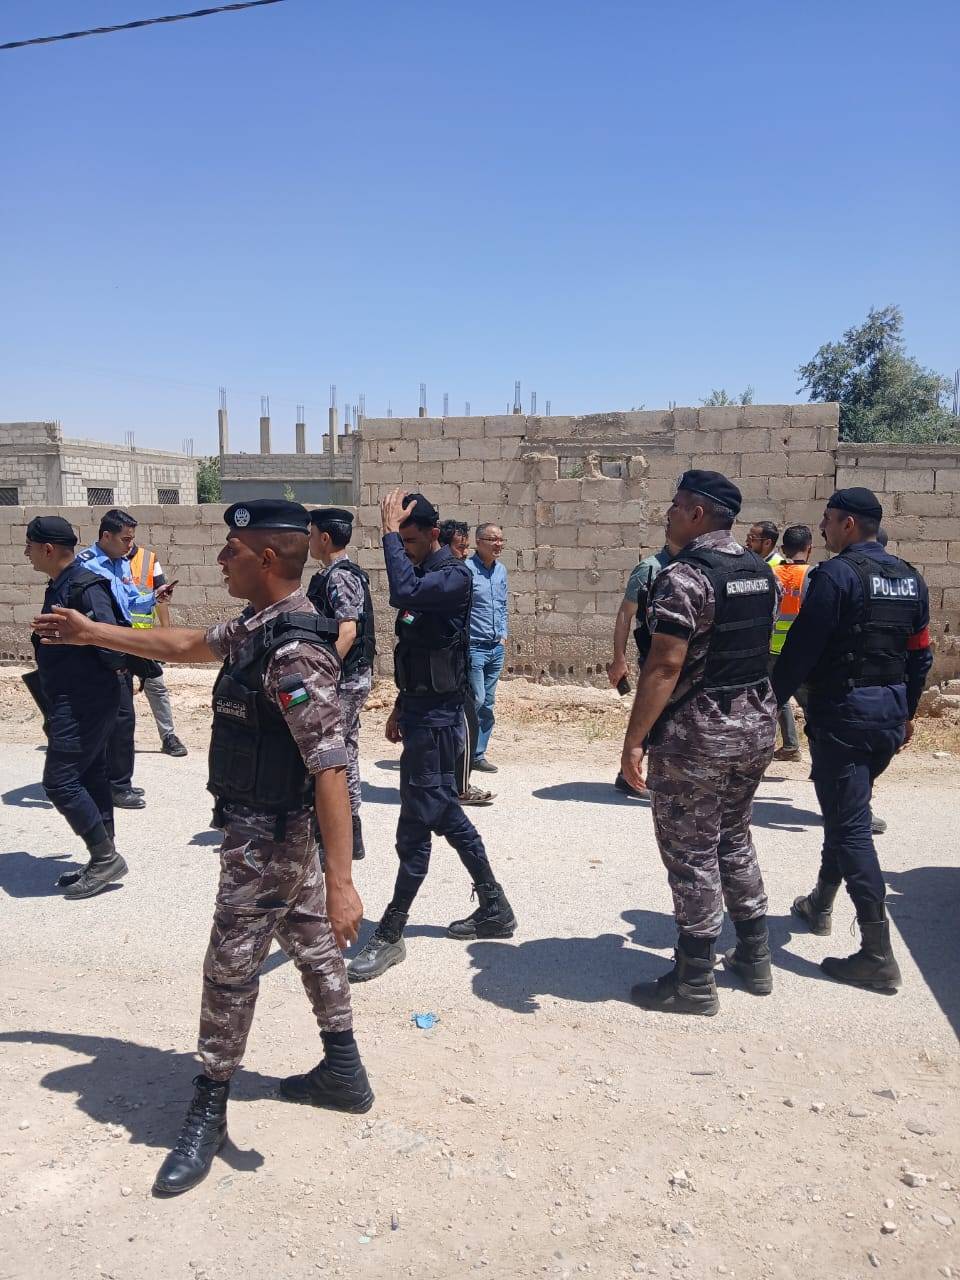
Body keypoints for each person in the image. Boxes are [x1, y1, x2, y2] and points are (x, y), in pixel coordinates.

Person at [35, 499, 370, 1195]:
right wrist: (92, 630)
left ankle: (210, 1106)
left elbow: (330, 768)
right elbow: (185, 644)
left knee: (229, 972)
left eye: (232, 550)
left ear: (267, 559)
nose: (220, 559)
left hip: (267, 839)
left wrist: (342, 881)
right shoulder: (259, 625)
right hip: (275, 831)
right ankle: (342, 1070)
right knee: (310, 942)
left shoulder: (294, 651)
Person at [620, 471, 778, 1016]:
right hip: (755, 726)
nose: (668, 512)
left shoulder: (686, 577)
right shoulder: (759, 571)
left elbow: (665, 664)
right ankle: (754, 956)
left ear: (697, 513)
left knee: (691, 853)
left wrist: (634, 741)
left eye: (676, 504)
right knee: (734, 837)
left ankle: (693, 980)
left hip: (699, 736)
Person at [347, 491, 516, 984]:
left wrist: (386, 535)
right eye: (401, 542)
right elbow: (419, 648)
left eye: (412, 541)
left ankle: (392, 930)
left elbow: (403, 590)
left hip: (440, 722)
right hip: (421, 714)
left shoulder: (453, 577)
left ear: (433, 535)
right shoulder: (426, 576)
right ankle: (494, 906)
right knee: (438, 812)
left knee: (417, 824)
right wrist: (401, 704)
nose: (406, 549)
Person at [772, 488, 932, 992]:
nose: (821, 528)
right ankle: (820, 903)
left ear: (847, 523)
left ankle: (876, 953)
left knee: (852, 827)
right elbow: (920, 654)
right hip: (887, 717)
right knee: (847, 813)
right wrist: (907, 712)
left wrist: (767, 704)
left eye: (827, 519)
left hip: (844, 718)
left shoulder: (836, 576)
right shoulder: (910, 577)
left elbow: (801, 650)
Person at [24, 516, 130, 900]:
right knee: (90, 774)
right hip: (72, 696)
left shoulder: (85, 586)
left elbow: (112, 644)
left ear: (47, 548)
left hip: (85, 700)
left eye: (29, 546)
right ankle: (103, 856)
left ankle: (105, 858)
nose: (26, 553)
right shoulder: (62, 584)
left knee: (60, 781)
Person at [79, 509, 175, 809]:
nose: (130, 545)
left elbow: (131, 600)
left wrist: (154, 598)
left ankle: (113, 781)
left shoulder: (121, 563)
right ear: (106, 536)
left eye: (132, 539)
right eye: (125, 539)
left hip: (121, 648)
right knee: (116, 719)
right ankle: (116, 786)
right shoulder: (87, 566)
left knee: (120, 719)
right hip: (99, 655)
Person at [307, 507, 376, 860]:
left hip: (343, 679)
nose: (308, 541)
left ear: (324, 538)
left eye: (311, 534)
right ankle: (350, 835)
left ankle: (335, 835)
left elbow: (347, 631)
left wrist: (322, 671)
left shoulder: (340, 577)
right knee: (344, 750)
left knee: (330, 754)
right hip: (348, 677)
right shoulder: (334, 575)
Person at [607, 541, 677, 797]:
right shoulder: (649, 568)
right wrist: (619, 658)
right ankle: (632, 774)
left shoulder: (695, 564)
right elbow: (625, 614)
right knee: (653, 710)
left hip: (685, 656)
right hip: (654, 655)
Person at [440, 519, 493, 808]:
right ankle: (460, 788)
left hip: (458, 660)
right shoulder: (452, 575)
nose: (464, 553)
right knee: (467, 721)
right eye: (460, 547)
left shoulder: (442, 573)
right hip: (451, 667)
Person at [127, 540, 188, 759]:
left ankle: (168, 737)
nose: (127, 541)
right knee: (115, 689)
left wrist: (165, 635)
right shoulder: (102, 560)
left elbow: (161, 599)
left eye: (129, 536)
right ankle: (112, 739)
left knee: (157, 687)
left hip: (145, 639)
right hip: (114, 636)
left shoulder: (148, 559)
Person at [466, 522, 508, 774]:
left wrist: (503, 635)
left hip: (495, 648)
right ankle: (461, 749)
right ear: (478, 542)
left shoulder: (501, 571)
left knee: (488, 704)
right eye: (493, 539)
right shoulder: (467, 570)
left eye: (501, 539)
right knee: (476, 699)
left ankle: (477, 754)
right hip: (474, 647)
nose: (498, 544)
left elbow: (502, 605)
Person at [769, 524, 814, 762]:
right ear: (809, 548)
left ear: (783, 549)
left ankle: (787, 746)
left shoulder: (771, 573)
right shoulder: (814, 575)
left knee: (776, 699)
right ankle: (820, 754)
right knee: (811, 705)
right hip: (803, 650)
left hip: (773, 648)